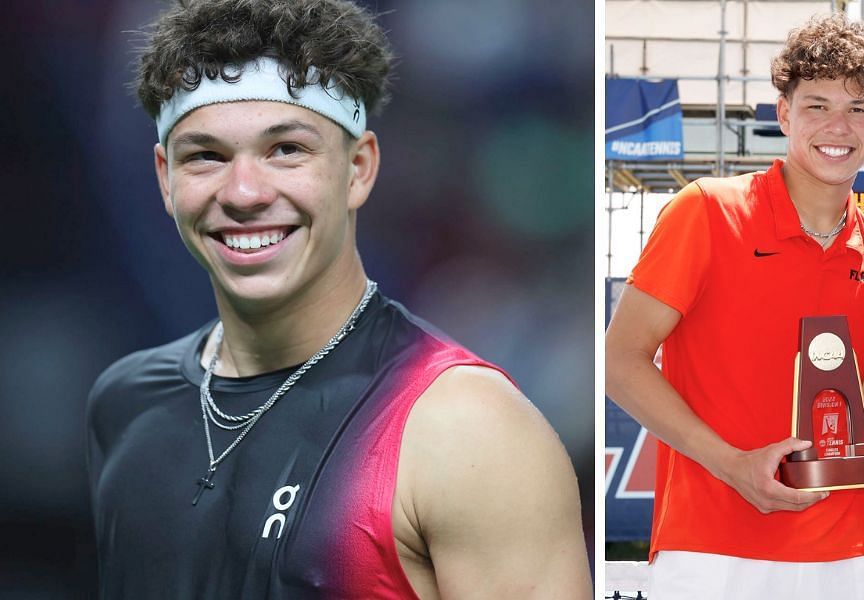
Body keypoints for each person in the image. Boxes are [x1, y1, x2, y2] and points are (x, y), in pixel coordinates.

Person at [84, 1, 591, 597]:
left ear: (358, 168)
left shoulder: (470, 432)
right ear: (165, 179)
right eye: (207, 156)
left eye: (287, 150)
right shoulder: (125, 404)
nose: (245, 191)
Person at [605, 15, 864, 599]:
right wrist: (731, 465)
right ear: (783, 114)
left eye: (857, 108)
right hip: (710, 550)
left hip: (846, 555)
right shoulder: (705, 211)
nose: (837, 126)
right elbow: (619, 361)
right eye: (816, 105)